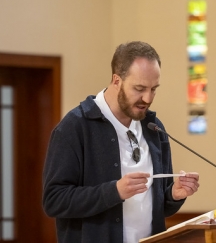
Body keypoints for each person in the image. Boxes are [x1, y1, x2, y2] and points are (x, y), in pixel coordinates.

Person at [42, 41, 200, 243]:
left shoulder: (154, 128)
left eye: (154, 89)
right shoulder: (75, 127)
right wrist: (114, 191)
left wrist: (174, 195)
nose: (148, 98)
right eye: (139, 88)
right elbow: (54, 200)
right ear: (116, 80)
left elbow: (160, 208)